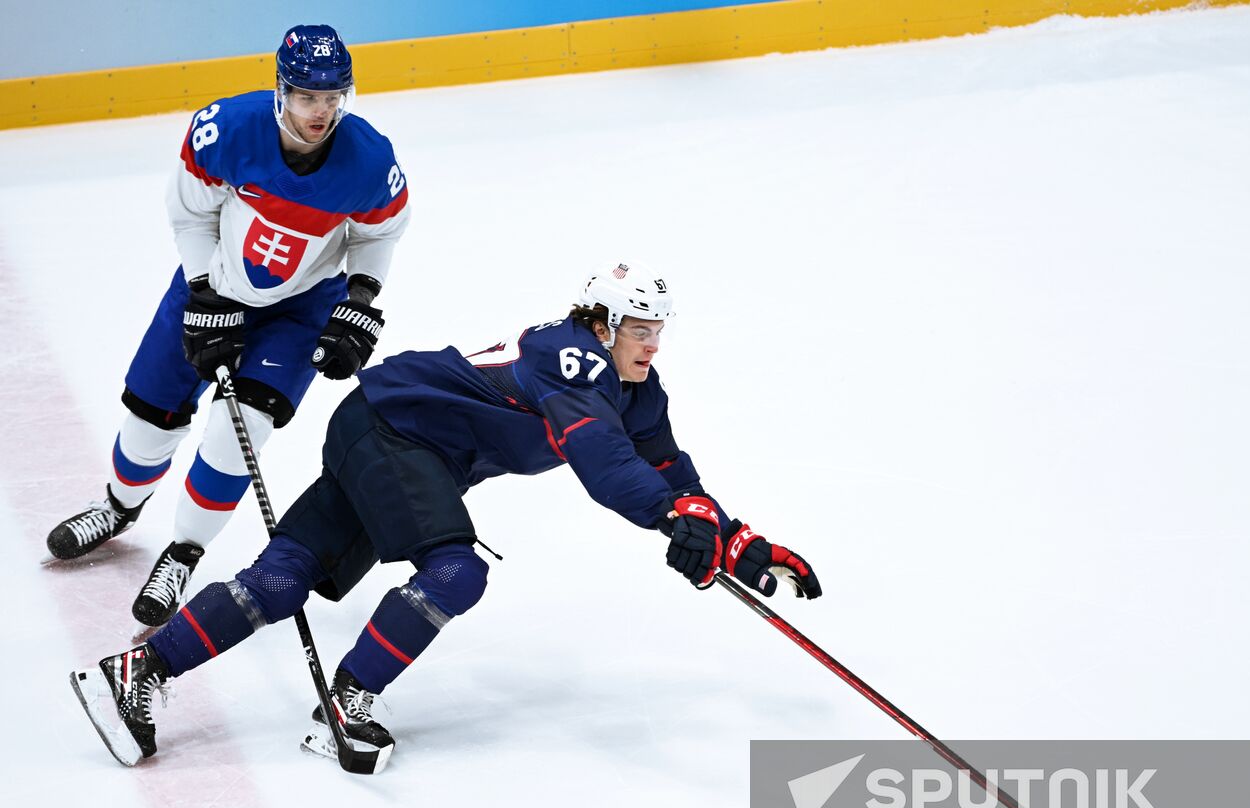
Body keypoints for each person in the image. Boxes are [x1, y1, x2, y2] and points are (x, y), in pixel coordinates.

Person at [69, 261, 822, 768]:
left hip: (386, 433)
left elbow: (670, 473)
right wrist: (666, 518)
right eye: (639, 330)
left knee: (280, 579)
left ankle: (141, 666)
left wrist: (739, 542)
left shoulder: (635, 388)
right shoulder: (573, 358)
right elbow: (599, 457)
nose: (652, 346)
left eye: (659, 332)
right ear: (601, 324)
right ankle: (349, 699)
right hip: (397, 431)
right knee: (456, 570)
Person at [45, 25, 411, 630]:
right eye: (306, 96)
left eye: (332, 97)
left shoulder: (369, 158)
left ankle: (184, 552)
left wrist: (360, 300)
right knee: (149, 415)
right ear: (280, 91)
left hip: (299, 312)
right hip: (210, 287)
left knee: (238, 431)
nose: (321, 111)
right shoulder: (226, 130)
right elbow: (189, 215)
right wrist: (203, 292)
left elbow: (378, 234)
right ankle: (117, 506)